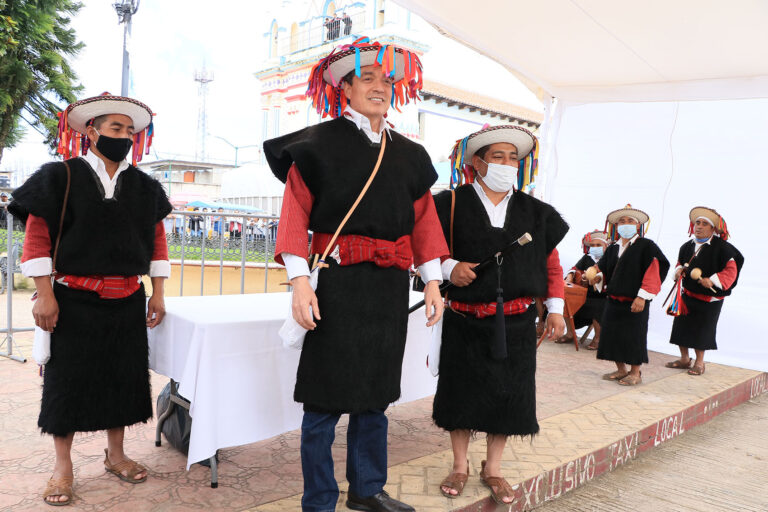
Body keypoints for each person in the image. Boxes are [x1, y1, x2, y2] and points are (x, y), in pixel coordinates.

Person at [263, 37, 447, 512]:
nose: (380, 87)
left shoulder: (408, 153)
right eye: (368, 78)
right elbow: (294, 216)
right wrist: (300, 282)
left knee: (375, 395)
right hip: (337, 285)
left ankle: (367, 490)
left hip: (387, 288)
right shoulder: (315, 145)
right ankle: (320, 499)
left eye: (387, 80)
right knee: (324, 400)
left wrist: (431, 280)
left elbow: (424, 218)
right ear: (344, 87)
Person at [8, 93, 172, 506]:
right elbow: (37, 240)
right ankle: (63, 467)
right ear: (91, 131)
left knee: (123, 378)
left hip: (128, 299)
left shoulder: (145, 187)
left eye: (131, 131)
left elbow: (157, 241)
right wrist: (44, 295)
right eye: (116, 128)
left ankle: (115, 455)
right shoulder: (59, 178)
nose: (125, 137)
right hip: (72, 300)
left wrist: (158, 294)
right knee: (68, 383)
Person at [432, 125, 568, 505]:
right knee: (459, 392)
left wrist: (555, 308)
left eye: (513, 158)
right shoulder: (448, 205)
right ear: (477, 163)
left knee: (509, 394)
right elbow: (426, 252)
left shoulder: (536, 213)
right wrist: (449, 267)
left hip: (517, 321)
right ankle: (459, 465)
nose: (507, 164)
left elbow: (551, 265)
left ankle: (492, 469)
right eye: (498, 157)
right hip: (463, 317)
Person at [587, 205, 669, 386]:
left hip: (635, 301)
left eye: (630, 221)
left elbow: (655, 270)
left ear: (638, 224)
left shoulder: (647, 247)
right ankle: (621, 369)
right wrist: (597, 277)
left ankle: (635, 372)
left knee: (634, 337)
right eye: (622, 221)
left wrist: (642, 297)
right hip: (614, 299)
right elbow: (605, 270)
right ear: (616, 225)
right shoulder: (613, 248)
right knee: (612, 335)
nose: (626, 224)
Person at [664, 207, 743, 375]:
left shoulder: (724, 249)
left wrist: (713, 280)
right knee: (681, 327)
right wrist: (678, 271)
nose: (698, 226)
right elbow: (680, 263)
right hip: (687, 295)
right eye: (697, 223)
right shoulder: (687, 246)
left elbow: (731, 270)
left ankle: (700, 363)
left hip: (709, 300)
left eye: (704, 224)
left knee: (702, 330)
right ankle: (685, 358)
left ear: (713, 228)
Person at [559, 230, 610, 350]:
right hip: (584, 295)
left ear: (606, 246)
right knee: (566, 301)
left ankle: (597, 338)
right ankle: (571, 333)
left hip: (601, 296)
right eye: (592, 245)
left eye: (598, 245)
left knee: (598, 306)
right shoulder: (587, 258)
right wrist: (571, 275)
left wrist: (596, 279)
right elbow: (574, 268)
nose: (594, 248)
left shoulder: (609, 260)